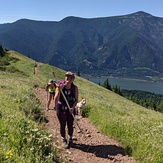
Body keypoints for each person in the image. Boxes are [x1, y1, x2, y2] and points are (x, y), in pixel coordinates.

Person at [54, 71, 78, 149]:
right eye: (67, 76)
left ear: (73, 79)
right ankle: (63, 139)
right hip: (61, 109)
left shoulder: (74, 88)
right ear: (65, 77)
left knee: (70, 124)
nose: (68, 78)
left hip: (71, 109)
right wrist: (59, 90)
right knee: (63, 124)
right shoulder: (60, 87)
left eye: (70, 77)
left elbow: (76, 100)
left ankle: (70, 138)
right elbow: (56, 99)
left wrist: (73, 107)